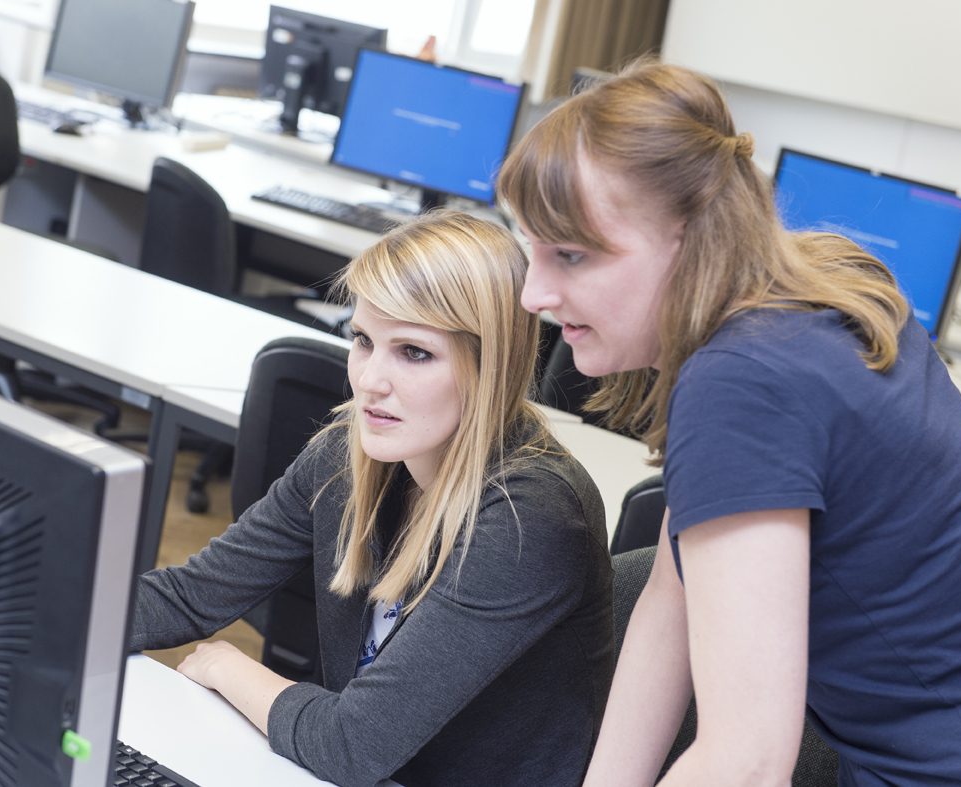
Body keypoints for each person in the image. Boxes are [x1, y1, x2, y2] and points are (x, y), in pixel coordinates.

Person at [497, 60, 961, 787]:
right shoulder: (824, 279)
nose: (534, 292)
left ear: (692, 239)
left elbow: (747, 763)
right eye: (529, 248)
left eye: (571, 254)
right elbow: (672, 595)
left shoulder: (743, 381)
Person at [130, 211, 615, 787]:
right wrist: (23, 606)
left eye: (413, 352)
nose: (369, 382)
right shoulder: (350, 453)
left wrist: (227, 665)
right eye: (363, 340)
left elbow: (352, 745)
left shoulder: (529, 518)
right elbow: (189, 597)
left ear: (492, 367)